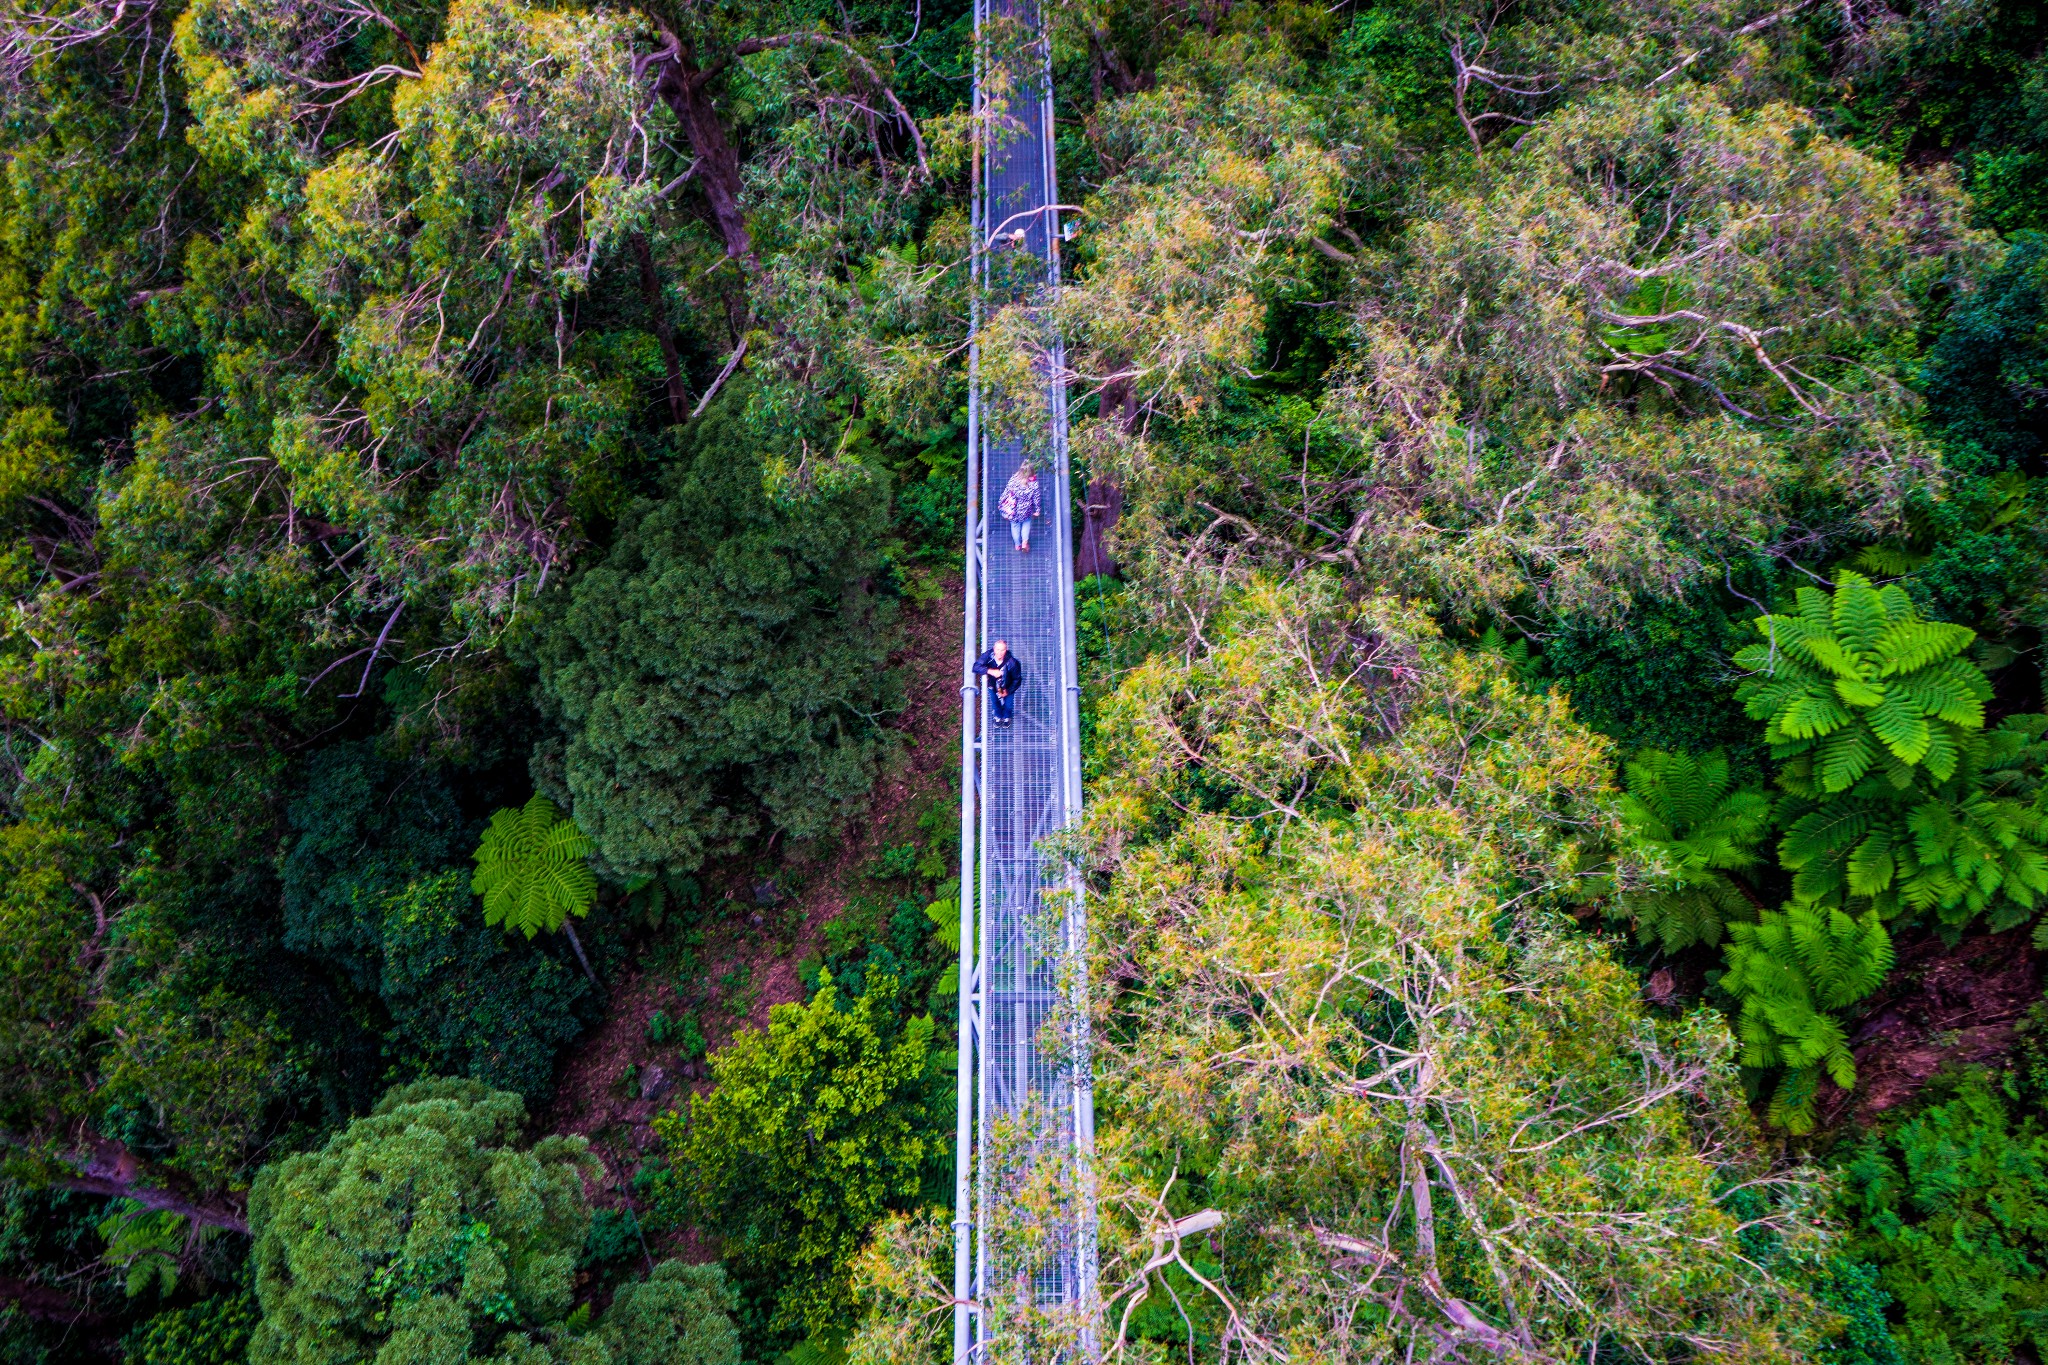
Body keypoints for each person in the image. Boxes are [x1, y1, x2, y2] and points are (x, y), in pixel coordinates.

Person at [974, 638, 1023, 728]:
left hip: (1007, 687)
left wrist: (1007, 691)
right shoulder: (988, 656)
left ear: (1006, 650)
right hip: (992, 686)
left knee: (1008, 704)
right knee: (995, 702)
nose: (1000, 653)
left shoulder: (1012, 663)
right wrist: (990, 671)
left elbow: (1017, 679)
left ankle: (1007, 716)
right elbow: (975, 667)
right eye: (998, 649)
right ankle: (998, 716)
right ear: (994, 649)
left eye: (1002, 650)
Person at [998, 459, 1042, 553]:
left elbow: (1006, 492)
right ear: (1032, 471)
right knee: (1026, 524)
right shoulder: (1034, 483)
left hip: (1013, 510)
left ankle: (1017, 544)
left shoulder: (1014, 479)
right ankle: (1024, 542)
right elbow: (1036, 498)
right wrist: (1037, 510)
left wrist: (1001, 503)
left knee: (1014, 526)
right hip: (1026, 510)